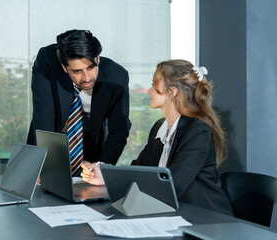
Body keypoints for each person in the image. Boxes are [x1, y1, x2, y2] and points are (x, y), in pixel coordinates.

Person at [81, 59, 234, 215]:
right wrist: (105, 175)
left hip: (206, 217)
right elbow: (138, 168)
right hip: (172, 211)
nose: (149, 91)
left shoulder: (198, 131)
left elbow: (174, 184)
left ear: (172, 92)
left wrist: (112, 179)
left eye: (154, 85)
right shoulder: (159, 128)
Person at [27, 29, 131, 176]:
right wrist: (43, 167)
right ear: (64, 67)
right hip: (49, 147)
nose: (87, 78)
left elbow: (119, 129)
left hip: (91, 152)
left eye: (91, 67)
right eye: (77, 71)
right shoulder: (47, 61)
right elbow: (44, 117)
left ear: (98, 59)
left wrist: (101, 167)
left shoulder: (117, 76)